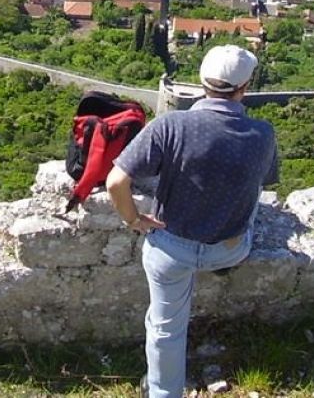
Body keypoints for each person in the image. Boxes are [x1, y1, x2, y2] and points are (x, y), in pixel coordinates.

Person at [106, 45, 278, 398]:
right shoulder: (263, 133)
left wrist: (134, 219)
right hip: (229, 250)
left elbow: (115, 182)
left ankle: (163, 392)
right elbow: (264, 182)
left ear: (201, 83)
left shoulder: (172, 124)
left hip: (171, 248)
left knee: (166, 327)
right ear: (244, 88)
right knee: (255, 199)